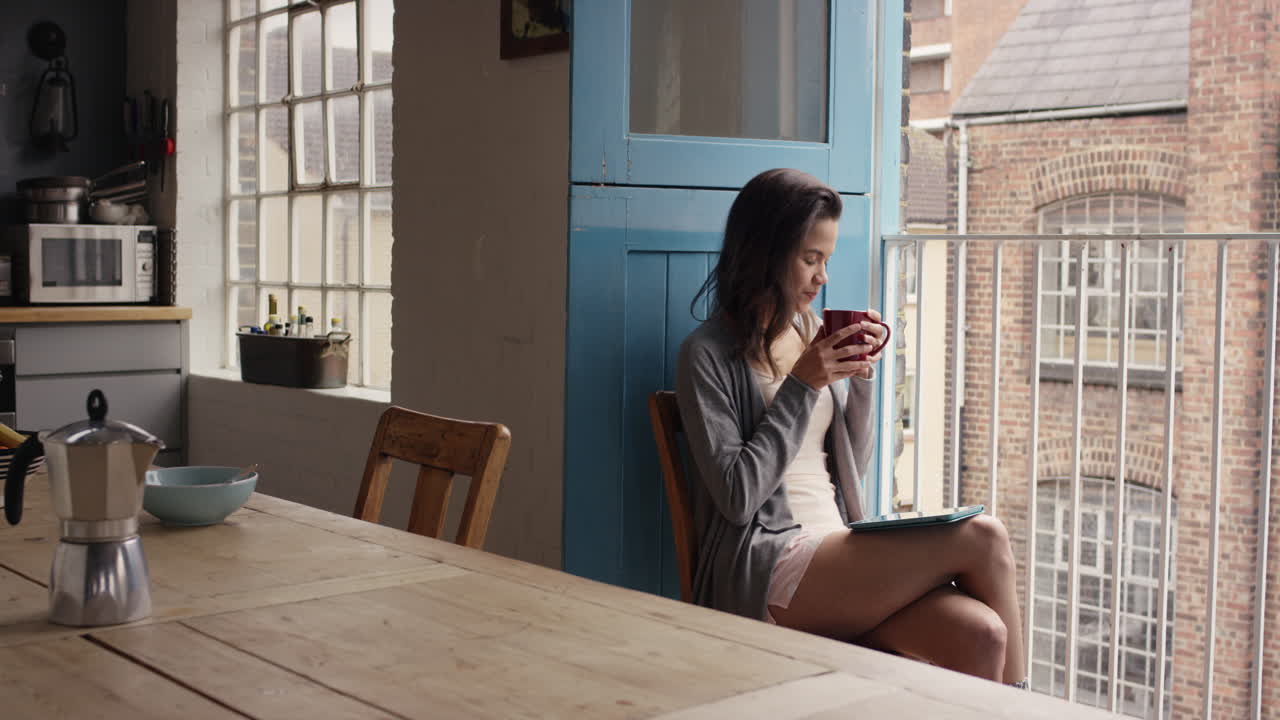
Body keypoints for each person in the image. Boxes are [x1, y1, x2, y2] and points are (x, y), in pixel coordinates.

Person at [675, 168, 1026, 685]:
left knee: (984, 635)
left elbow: (851, 467)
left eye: (827, 260)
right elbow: (737, 496)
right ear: (765, 253)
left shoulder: (811, 332)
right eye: (810, 259)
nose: (823, 277)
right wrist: (803, 385)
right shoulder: (706, 355)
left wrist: (859, 382)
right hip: (766, 562)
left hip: (835, 544)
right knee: (984, 536)